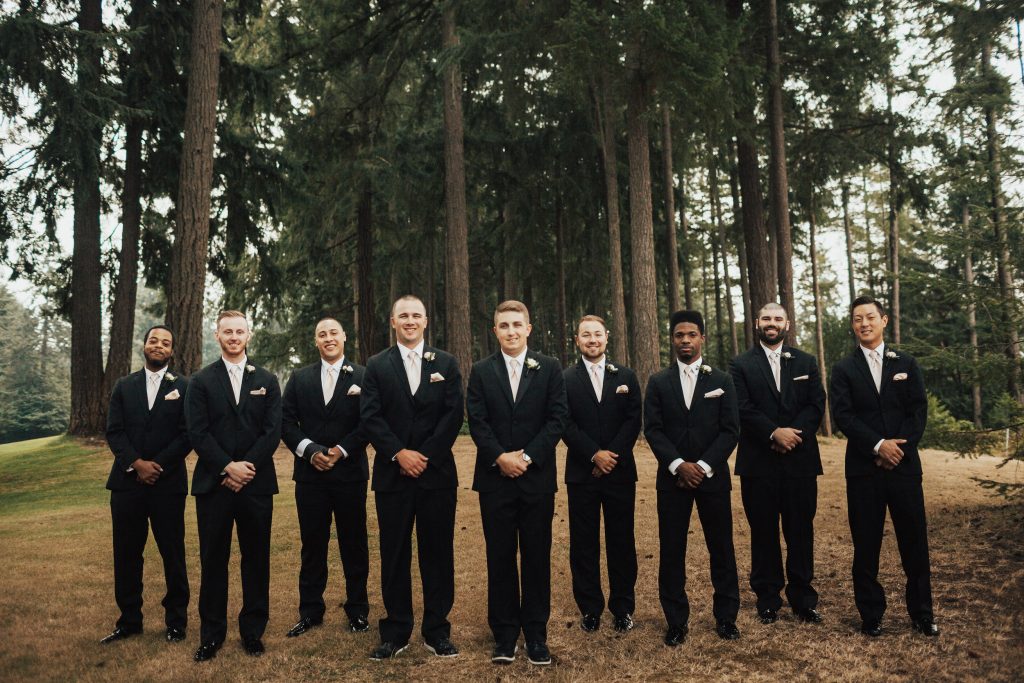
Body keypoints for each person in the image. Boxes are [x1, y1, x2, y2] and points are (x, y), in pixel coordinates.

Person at [360, 295, 464, 660]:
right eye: (403, 315)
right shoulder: (376, 365)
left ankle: (437, 630)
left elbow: (453, 415)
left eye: (416, 315)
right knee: (395, 552)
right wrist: (399, 453)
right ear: (393, 322)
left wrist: (426, 455)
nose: (410, 320)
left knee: (437, 553)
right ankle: (396, 630)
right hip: (393, 475)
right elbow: (370, 416)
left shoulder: (446, 364)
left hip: (436, 475)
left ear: (426, 321)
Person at [467, 300, 568, 666]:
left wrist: (525, 458)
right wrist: (500, 457)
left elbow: (558, 418)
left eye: (517, 325)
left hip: (536, 479)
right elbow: (477, 421)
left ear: (529, 329)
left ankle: (536, 635)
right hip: (495, 480)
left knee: (537, 556)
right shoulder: (480, 371)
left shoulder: (550, 368)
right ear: (495, 331)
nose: (511, 331)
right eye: (504, 325)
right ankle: (505, 635)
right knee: (500, 557)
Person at [829, 296, 937, 638]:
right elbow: (844, 415)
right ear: (853, 324)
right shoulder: (843, 369)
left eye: (870, 317)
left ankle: (922, 614)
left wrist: (897, 448)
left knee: (914, 542)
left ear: (884, 320)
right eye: (858, 318)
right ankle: (871, 614)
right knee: (866, 544)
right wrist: (877, 446)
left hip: (904, 467)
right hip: (864, 469)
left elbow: (917, 411)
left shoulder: (906, 362)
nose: (864, 323)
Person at [186, 310, 282, 661]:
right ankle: (211, 634)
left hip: (256, 485)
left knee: (256, 558)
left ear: (248, 335)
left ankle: (252, 631)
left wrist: (246, 468)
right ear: (217, 335)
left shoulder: (267, 380)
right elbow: (197, 431)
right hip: (215, 484)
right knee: (214, 559)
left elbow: (272, 431)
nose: (234, 336)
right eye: (227, 331)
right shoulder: (201, 381)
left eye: (239, 331)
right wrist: (227, 466)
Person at [644, 310, 741, 646]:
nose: (685, 340)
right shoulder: (658, 382)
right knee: (672, 550)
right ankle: (675, 621)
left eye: (691, 335)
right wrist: (677, 465)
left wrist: (702, 465)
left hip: (711, 478)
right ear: (672, 339)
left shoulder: (722, 381)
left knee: (722, 549)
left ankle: (727, 618)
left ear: (702, 338)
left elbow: (731, 430)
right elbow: (653, 430)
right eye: (679, 335)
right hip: (672, 479)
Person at [731, 303, 825, 625]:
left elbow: (816, 404)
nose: (772, 324)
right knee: (764, 532)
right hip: (759, 463)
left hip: (800, 462)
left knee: (800, 531)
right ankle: (767, 598)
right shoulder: (740, 364)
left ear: (787, 323)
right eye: (767, 318)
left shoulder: (806, 362)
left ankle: (803, 599)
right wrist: (773, 433)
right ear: (757, 322)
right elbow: (741, 407)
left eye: (778, 319)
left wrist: (792, 436)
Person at [281, 317, 370, 638]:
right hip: (310, 476)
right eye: (322, 334)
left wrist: (342, 450)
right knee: (313, 543)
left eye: (334, 332)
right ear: (315, 341)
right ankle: (310, 611)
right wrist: (311, 450)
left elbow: (370, 421)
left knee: (354, 542)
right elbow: (286, 422)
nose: (329, 338)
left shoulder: (363, 376)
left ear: (344, 336)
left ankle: (358, 610)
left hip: (350, 474)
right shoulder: (299, 378)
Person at [102, 325, 191, 645]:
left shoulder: (183, 386)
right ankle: (129, 621)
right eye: (154, 340)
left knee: (173, 553)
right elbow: (114, 431)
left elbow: (187, 433)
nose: (159, 346)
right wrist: (136, 464)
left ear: (171, 351)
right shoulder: (124, 385)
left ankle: (176, 622)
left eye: (165, 343)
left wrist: (158, 466)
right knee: (126, 554)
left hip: (168, 485)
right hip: (126, 484)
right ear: (144, 345)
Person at [561, 315, 641, 634]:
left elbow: (633, 420)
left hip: (620, 472)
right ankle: (590, 608)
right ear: (577, 340)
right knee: (584, 543)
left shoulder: (626, 375)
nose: (592, 339)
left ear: (606, 337)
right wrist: (593, 454)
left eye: (597, 334)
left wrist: (611, 456)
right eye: (585, 335)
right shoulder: (565, 378)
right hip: (582, 473)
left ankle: (622, 607)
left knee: (621, 541)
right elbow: (564, 422)